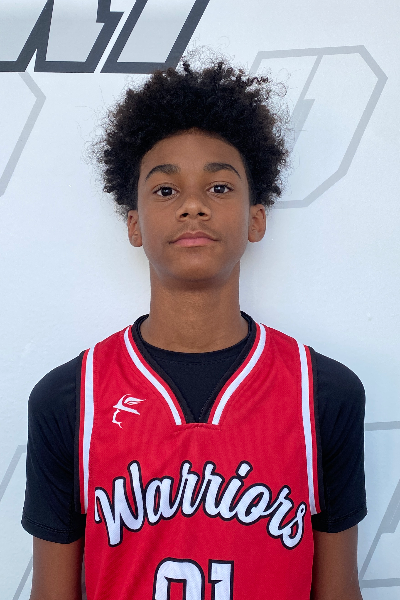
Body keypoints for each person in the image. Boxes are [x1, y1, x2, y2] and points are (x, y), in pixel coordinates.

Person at [22, 58, 366, 600]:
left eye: (220, 187)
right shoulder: (70, 399)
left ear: (256, 218)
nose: (193, 206)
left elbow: (339, 591)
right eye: (165, 191)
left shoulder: (323, 394)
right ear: (134, 224)